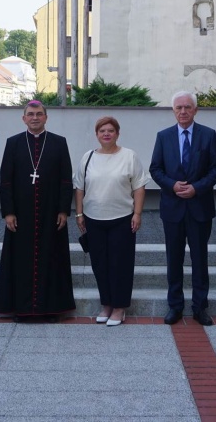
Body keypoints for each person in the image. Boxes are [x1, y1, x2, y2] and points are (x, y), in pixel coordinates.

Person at [0, 100, 74, 321]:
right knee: (20, 261)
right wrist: (8, 212)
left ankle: (51, 309)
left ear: (46, 117)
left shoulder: (58, 142)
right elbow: (6, 181)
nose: (35, 118)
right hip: (21, 215)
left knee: (52, 258)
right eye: (30, 114)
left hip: (50, 213)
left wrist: (64, 210)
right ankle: (22, 308)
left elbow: (66, 180)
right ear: (24, 118)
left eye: (39, 114)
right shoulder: (14, 143)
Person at [150, 91, 216, 326]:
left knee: (200, 259)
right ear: (173, 111)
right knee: (174, 259)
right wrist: (172, 185)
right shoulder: (163, 136)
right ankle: (175, 306)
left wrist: (197, 188)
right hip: (172, 208)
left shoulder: (208, 135)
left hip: (199, 207)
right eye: (179, 108)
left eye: (187, 107)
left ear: (195, 110)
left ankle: (200, 307)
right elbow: (155, 169)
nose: (183, 111)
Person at [74, 116, 148, 326]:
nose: (106, 134)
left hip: (122, 219)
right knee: (100, 264)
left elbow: (139, 187)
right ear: (96, 135)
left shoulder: (129, 156)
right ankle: (106, 304)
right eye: (102, 131)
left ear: (117, 133)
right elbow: (79, 187)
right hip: (93, 219)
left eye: (110, 130)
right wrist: (79, 214)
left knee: (120, 265)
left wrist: (137, 213)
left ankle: (119, 307)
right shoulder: (88, 157)